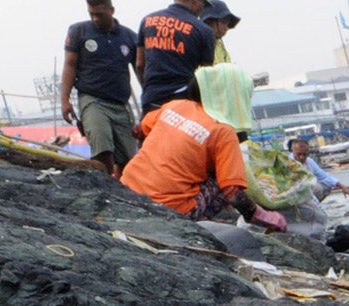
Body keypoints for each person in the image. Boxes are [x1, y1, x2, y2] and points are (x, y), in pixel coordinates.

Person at [122, 69, 284, 230]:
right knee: (224, 179)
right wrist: (266, 217)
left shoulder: (176, 105)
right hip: (170, 209)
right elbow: (233, 193)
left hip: (127, 189)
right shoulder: (223, 131)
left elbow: (138, 130)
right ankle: (196, 226)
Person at [60, 0, 142, 174]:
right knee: (103, 150)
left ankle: (124, 196)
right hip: (93, 100)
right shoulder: (79, 31)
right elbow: (70, 64)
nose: (95, 19)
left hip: (120, 105)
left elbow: (140, 69)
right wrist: (64, 100)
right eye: (92, 14)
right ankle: (103, 192)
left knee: (129, 161)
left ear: (111, 10)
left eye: (99, 14)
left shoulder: (129, 37)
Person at [137, 0, 214, 115]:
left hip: (152, 101)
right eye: (203, 3)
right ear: (195, 0)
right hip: (182, 102)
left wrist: (148, 89)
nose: (203, 9)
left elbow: (139, 64)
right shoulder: (203, 30)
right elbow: (206, 76)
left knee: (154, 136)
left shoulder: (148, 21)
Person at [200, 0, 240, 64]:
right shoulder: (197, 45)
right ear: (209, 21)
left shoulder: (221, 49)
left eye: (228, 24)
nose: (226, 28)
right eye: (223, 22)